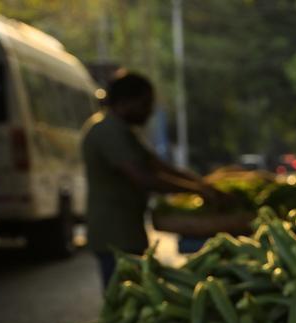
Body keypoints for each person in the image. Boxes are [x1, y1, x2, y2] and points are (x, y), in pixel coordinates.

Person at [81, 71, 221, 287]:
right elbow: (144, 178)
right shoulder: (107, 131)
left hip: (129, 230)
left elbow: (159, 166)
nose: (149, 110)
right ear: (126, 101)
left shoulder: (125, 132)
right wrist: (196, 190)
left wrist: (201, 183)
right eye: (145, 103)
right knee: (121, 297)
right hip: (114, 234)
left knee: (135, 291)